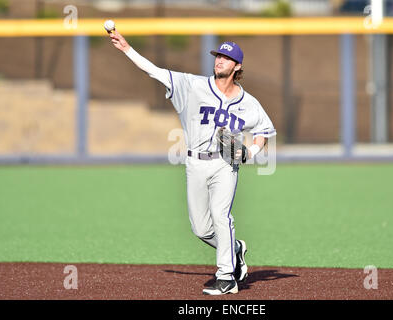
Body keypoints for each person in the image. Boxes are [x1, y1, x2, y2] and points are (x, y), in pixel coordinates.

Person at [109, 31, 276, 295]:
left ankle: (226, 277)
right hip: (195, 164)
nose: (220, 60)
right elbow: (154, 71)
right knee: (200, 228)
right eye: (218, 55)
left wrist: (250, 153)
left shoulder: (249, 103)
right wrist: (127, 48)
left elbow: (265, 131)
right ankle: (235, 249)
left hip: (224, 165)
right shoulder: (192, 86)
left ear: (237, 66)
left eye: (226, 57)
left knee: (221, 217)